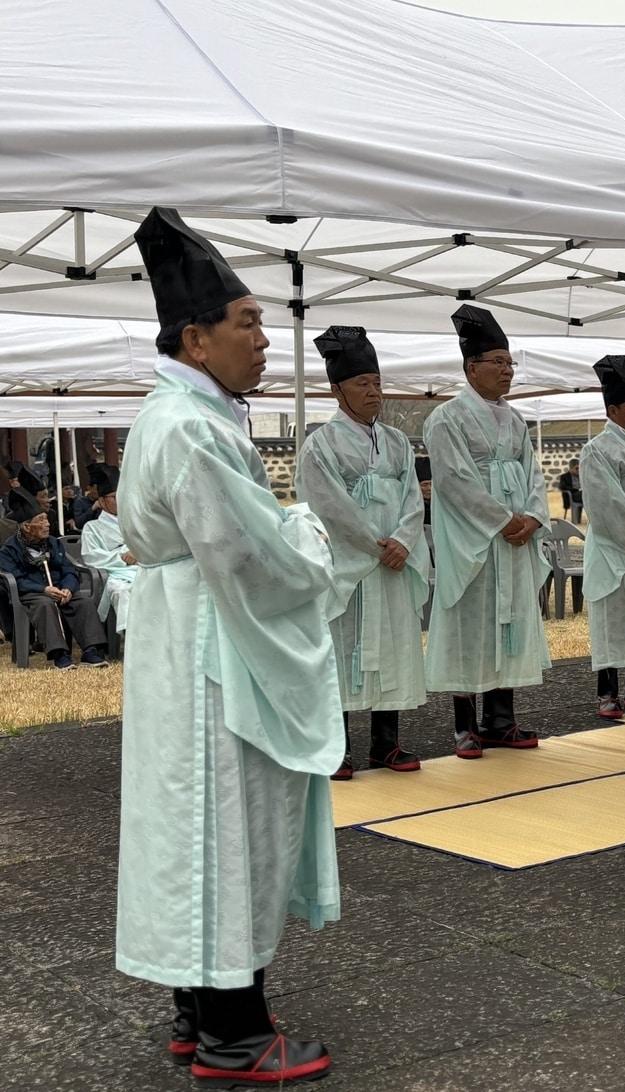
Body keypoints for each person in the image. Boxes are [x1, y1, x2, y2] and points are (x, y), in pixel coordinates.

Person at [119, 207, 341, 1084]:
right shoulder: (193, 427)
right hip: (215, 641)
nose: (264, 341)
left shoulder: (178, 415)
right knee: (223, 822)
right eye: (247, 324)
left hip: (186, 632)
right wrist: (310, 532)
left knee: (192, 821)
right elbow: (255, 554)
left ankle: (199, 1007)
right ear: (195, 339)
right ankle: (234, 1032)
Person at [298, 325, 431, 781]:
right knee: (343, 650)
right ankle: (338, 748)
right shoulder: (321, 445)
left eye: (377, 382)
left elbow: (413, 497)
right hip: (351, 564)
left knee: (392, 646)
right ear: (337, 391)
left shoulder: (397, 441)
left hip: (393, 562)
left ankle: (385, 743)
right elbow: (328, 506)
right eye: (362, 383)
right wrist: (375, 545)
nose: (374, 391)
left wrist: (405, 540)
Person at [424, 304, 551, 757]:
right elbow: (454, 480)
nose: (507, 371)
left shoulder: (515, 420)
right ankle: (465, 724)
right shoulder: (446, 419)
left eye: (510, 363)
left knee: (509, 623)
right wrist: (501, 519)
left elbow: (533, 473)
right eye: (498, 362)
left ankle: (501, 718)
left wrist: (533, 517)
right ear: (471, 367)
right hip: (474, 540)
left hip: (514, 539)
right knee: (470, 624)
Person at [580, 354, 625, 719]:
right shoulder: (597, 450)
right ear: (613, 410)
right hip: (612, 546)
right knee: (612, 619)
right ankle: (607, 692)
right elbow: (607, 506)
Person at [0, 493, 108, 669]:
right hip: (32, 594)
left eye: (46, 519)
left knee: (82, 602)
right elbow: (16, 579)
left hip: (59, 588)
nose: (48, 524)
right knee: (45, 604)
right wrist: (43, 589)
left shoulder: (53, 543)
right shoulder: (9, 549)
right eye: (41, 520)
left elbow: (68, 569)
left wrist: (68, 588)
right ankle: (60, 654)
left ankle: (91, 651)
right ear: (27, 526)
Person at [79, 466, 138, 634]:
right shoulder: (92, 527)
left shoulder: (135, 522)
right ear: (102, 501)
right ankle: (129, 636)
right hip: (113, 574)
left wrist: (140, 553)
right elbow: (91, 556)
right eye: (114, 497)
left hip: (142, 568)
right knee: (121, 591)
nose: (120, 500)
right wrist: (122, 557)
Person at [558, 458, 584, 523]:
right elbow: (561, 487)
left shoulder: (581, 476)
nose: (578, 470)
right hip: (572, 495)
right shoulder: (564, 477)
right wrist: (576, 489)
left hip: (581, 495)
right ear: (571, 468)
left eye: (579, 468)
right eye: (576, 468)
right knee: (585, 494)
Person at [415, 455, 432, 526]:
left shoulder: (438, 507)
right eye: (425, 485)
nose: (429, 488)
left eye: (431, 484)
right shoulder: (413, 507)